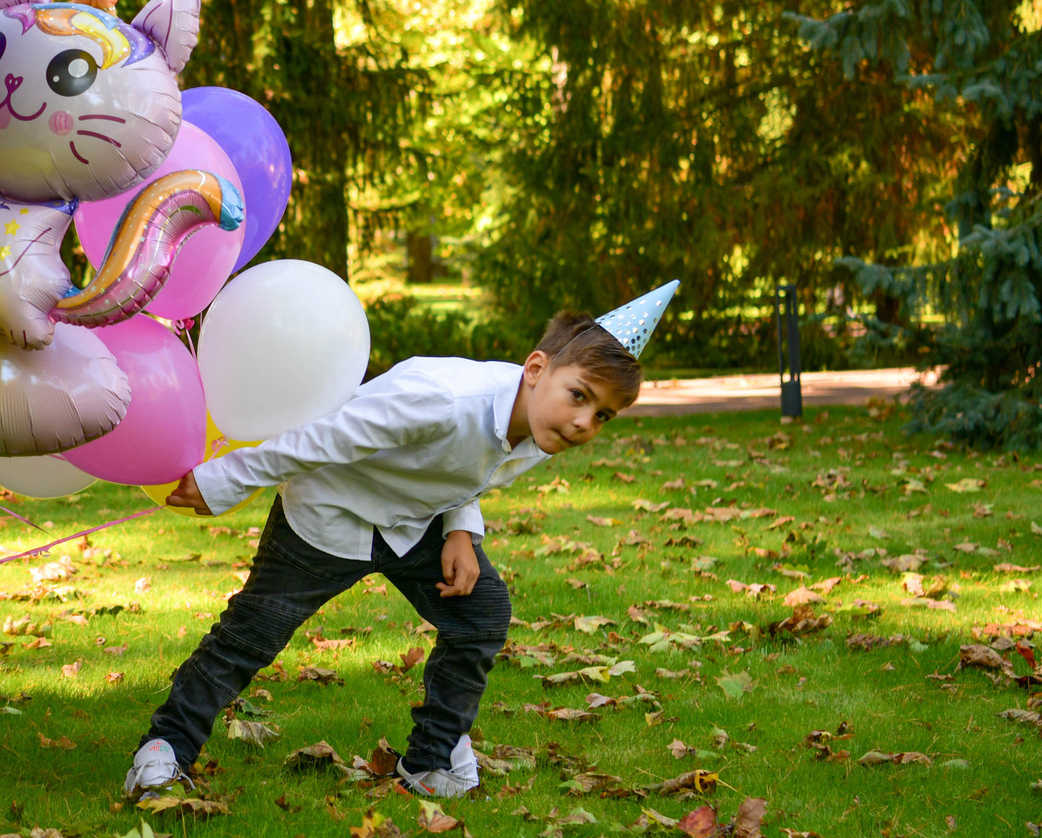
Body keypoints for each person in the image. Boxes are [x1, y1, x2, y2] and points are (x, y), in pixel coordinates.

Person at [127, 282, 675, 802]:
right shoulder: (440, 398)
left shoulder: (538, 429)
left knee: (482, 615)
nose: (583, 422)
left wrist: (462, 527)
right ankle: (165, 747)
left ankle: (431, 761)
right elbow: (327, 437)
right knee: (252, 634)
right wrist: (226, 479)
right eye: (579, 396)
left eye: (602, 415)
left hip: (413, 524)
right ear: (536, 368)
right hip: (331, 514)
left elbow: (465, 468)